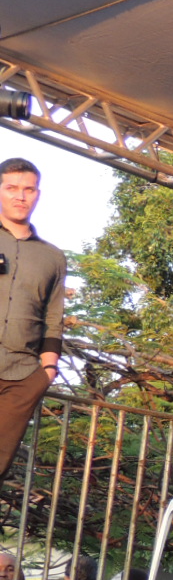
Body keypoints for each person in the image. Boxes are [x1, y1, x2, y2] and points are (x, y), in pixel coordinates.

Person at [0, 158, 65, 478]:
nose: (20, 196)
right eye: (12, 188)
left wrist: (47, 370)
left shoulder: (52, 257)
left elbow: (54, 316)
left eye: (28, 189)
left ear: (38, 194)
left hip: (23, 375)